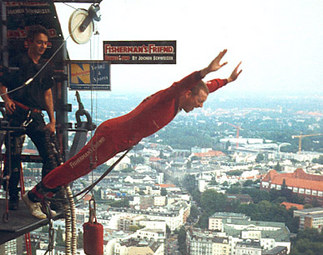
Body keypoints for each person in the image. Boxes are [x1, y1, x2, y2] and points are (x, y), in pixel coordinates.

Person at [23, 49, 242, 219]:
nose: (201, 106)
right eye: (199, 102)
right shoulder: (168, 97)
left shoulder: (182, 99)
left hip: (116, 139)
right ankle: (33, 197)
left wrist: (227, 81)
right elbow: (185, 84)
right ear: (188, 93)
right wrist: (204, 71)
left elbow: (206, 88)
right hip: (111, 137)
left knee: (76, 172)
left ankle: (43, 197)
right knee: (73, 169)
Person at [0, 25, 61, 210]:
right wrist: (7, 99)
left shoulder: (46, 67)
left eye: (45, 43)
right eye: (39, 42)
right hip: (17, 113)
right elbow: (2, 85)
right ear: (30, 43)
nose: (42, 46)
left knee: (51, 157)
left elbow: (48, 94)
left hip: (36, 116)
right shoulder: (18, 63)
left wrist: (52, 120)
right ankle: (13, 196)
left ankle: (42, 195)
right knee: (13, 158)